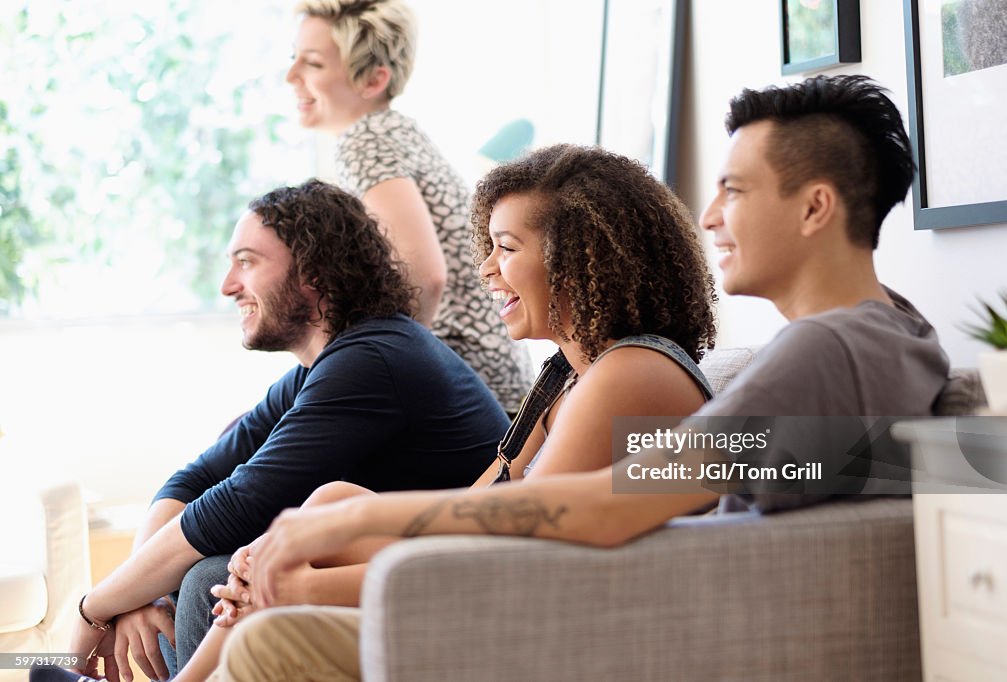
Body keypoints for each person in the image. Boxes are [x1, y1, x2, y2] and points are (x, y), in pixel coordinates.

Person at [202, 74, 951, 681]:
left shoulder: (824, 353)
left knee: (273, 639)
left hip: (628, 631)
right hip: (655, 605)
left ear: (816, 207)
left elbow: (605, 507)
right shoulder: (896, 339)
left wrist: (345, 526)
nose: (710, 214)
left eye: (736, 190)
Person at [152, 143, 720, 681]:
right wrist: (292, 551)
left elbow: (509, 555)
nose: (488, 269)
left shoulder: (628, 374)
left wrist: (302, 586)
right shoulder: (569, 379)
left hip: (529, 625)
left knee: (268, 570)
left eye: (507, 247)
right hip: (491, 585)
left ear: (579, 260)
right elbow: (473, 511)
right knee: (325, 503)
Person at [48, 179, 507, 682]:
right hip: (390, 570)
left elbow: (235, 505)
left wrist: (92, 608)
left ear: (314, 271)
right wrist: (141, 595)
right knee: (187, 573)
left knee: (207, 578)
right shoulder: (324, 368)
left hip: (447, 592)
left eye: (247, 261)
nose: (227, 285)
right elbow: (191, 482)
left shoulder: (373, 360)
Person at [286, 0, 533, 413]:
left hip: (469, 380)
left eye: (312, 64)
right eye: (294, 59)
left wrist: (373, 366)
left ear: (373, 80)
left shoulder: (365, 141)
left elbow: (424, 276)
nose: (290, 76)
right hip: (493, 378)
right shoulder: (393, 131)